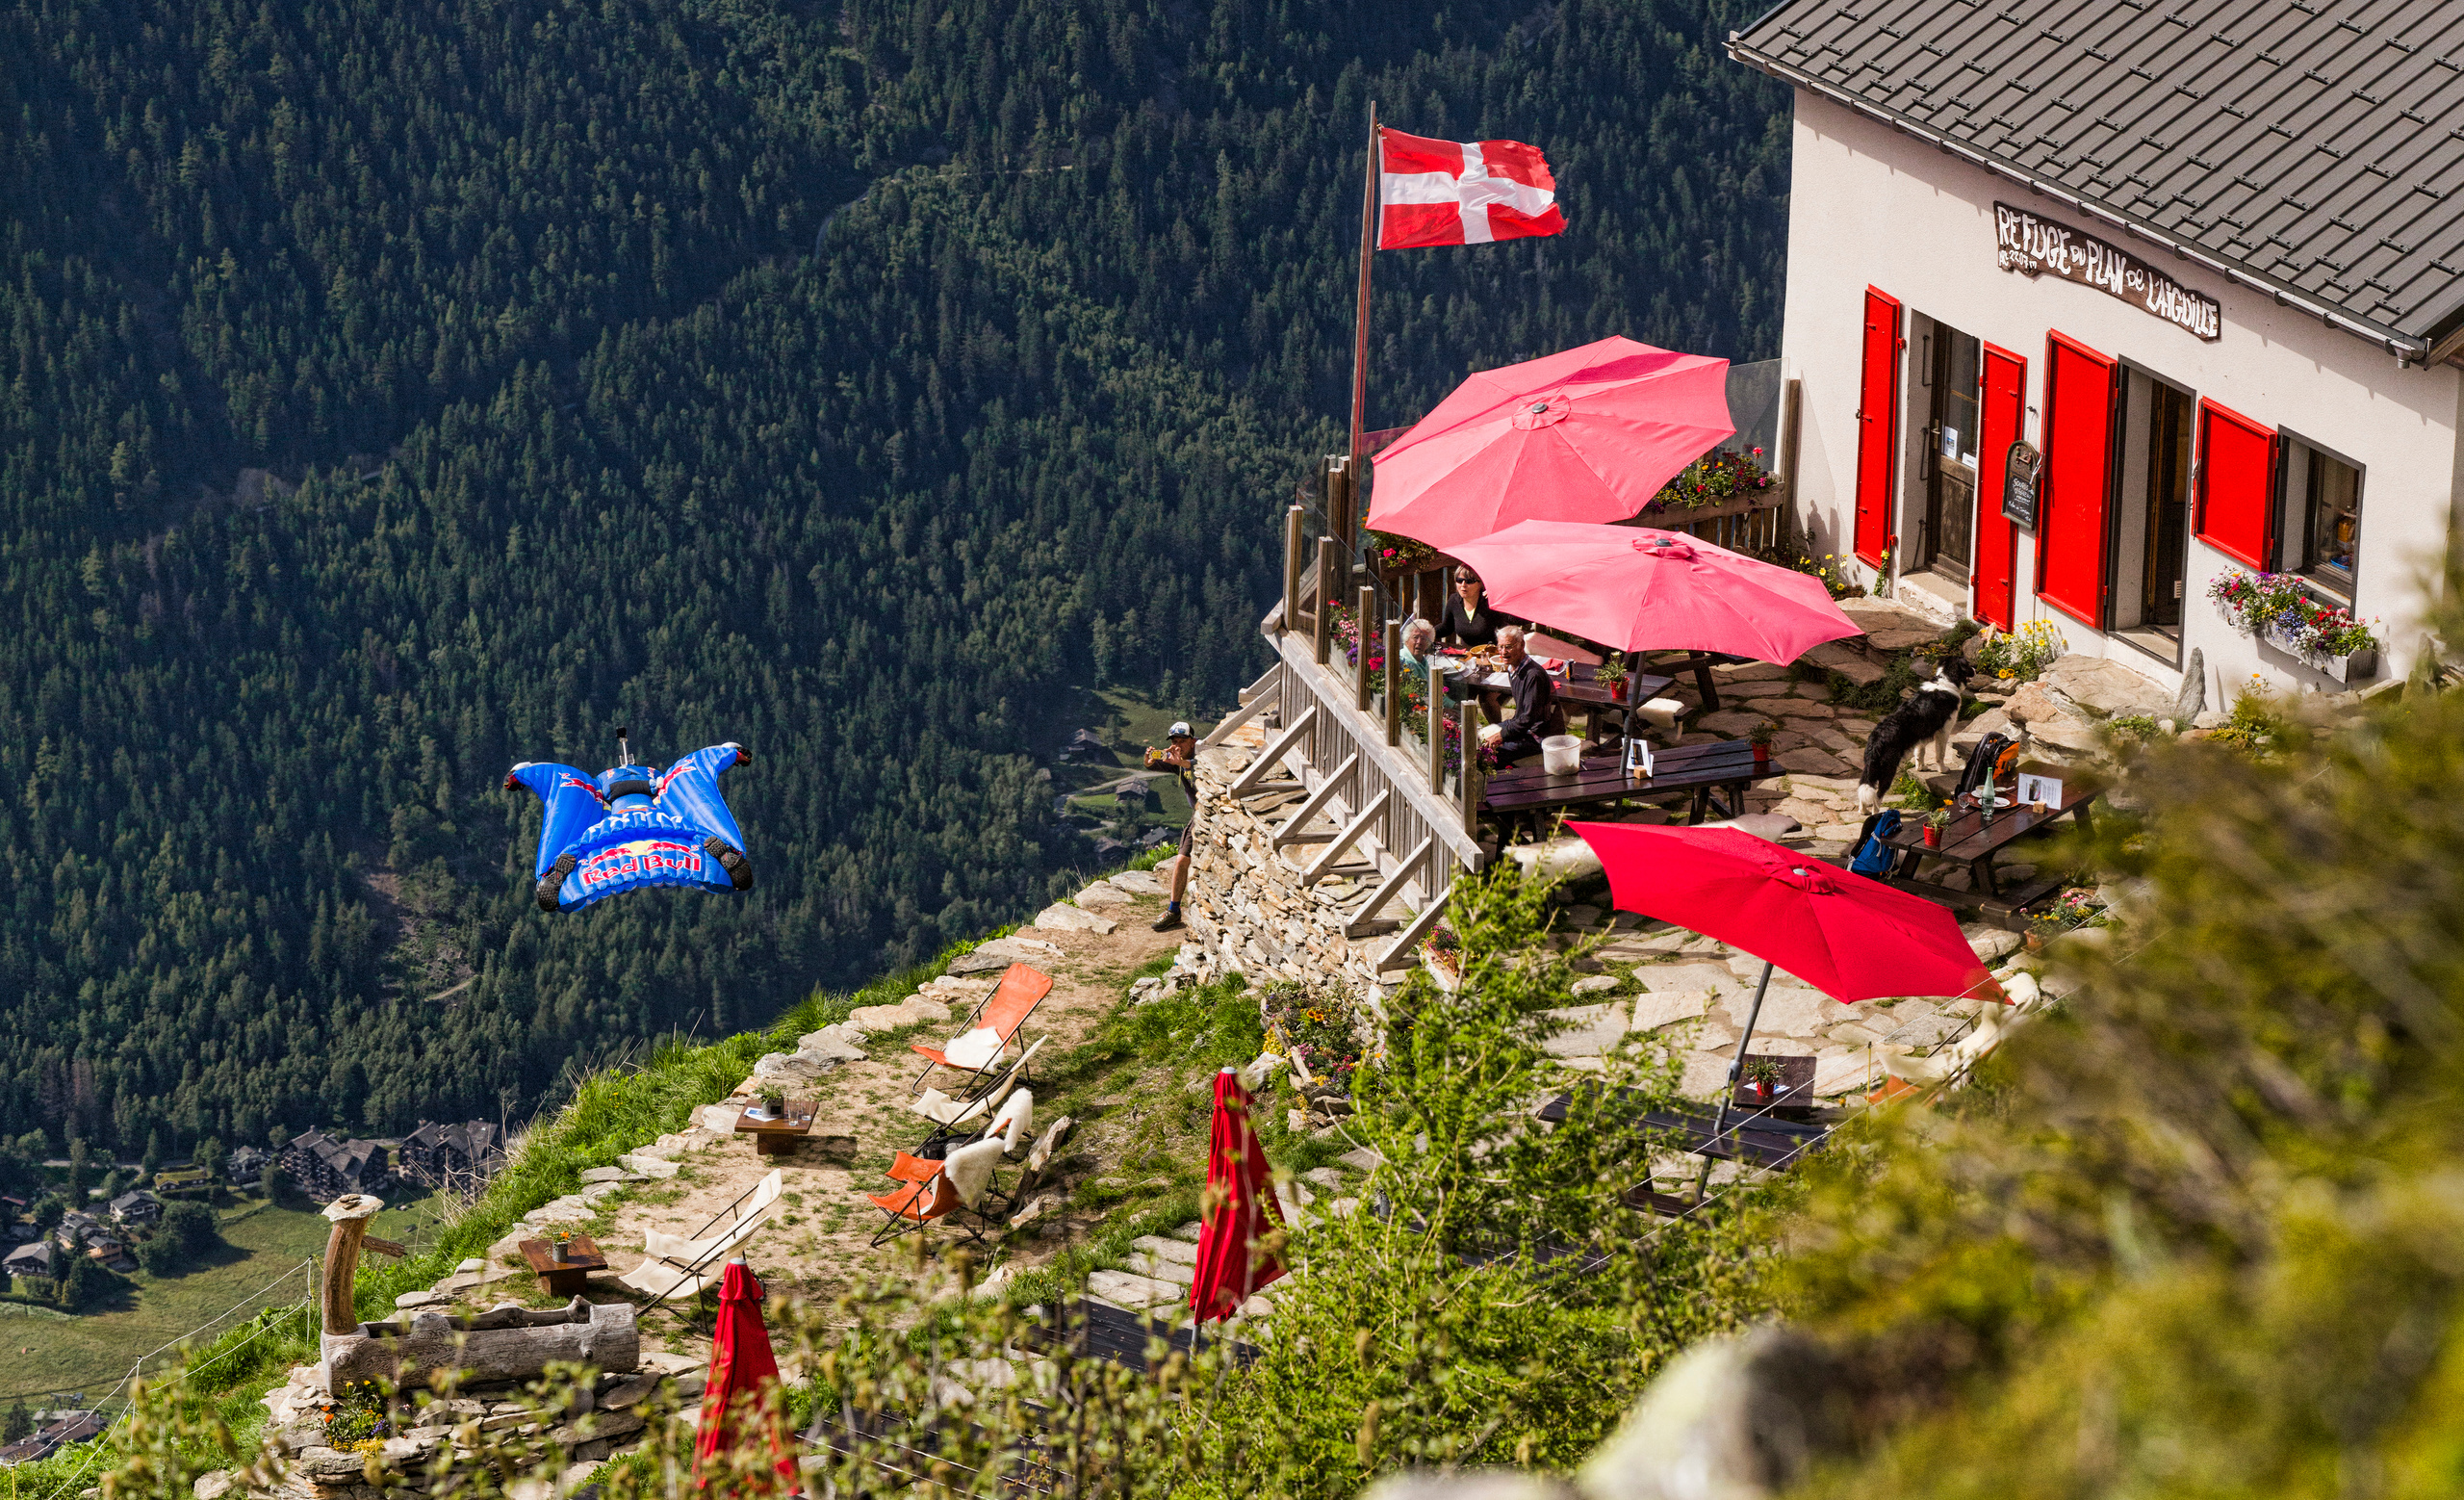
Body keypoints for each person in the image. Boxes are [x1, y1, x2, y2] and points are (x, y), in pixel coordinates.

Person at [1149, 721, 1199, 932]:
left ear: (1193, 741)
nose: (1177, 745)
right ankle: (1173, 910)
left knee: (1184, 860)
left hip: (1212, 811)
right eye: (1174, 741)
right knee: (1181, 860)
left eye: (1182, 741)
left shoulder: (1203, 753)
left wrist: (1182, 763)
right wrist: (1150, 758)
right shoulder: (1177, 758)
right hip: (1200, 814)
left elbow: (1196, 764)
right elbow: (1151, 765)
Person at [1491, 626, 1557, 767]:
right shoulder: (1513, 669)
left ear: (1522, 645)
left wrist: (1502, 734)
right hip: (1523, 726)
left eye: (1508, 647)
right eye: (1500, 647)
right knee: (1481, 737)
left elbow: (1528, 718)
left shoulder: (1533, 675)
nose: (1503, 652)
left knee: (1491, 752)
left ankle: (1509, 779)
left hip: (1538, 736)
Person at [1438, 568, 1517, 648]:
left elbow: (1515, 620)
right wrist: (1430, 633)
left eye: (1469, 581)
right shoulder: (1454, 600)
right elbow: (1447, 627)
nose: (1463, 585)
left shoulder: (1490, 601)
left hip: (1492, 653)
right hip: (1466, 653)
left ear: (1480, 583)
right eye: (1459, 580)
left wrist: (1500, 602)